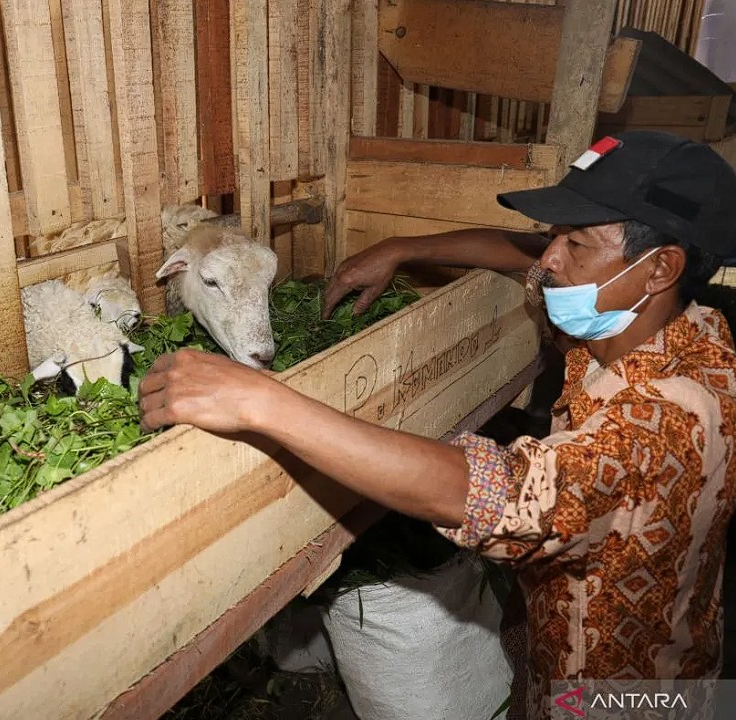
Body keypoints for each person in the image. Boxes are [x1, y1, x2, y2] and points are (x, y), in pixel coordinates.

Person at [138, 131, 736, 719]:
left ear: (661, 269)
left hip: (632, 692)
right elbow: (517, 254)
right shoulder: (663, 322)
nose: (549, 257)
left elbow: (490, 493)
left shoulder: (667, 421)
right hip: (566, 648)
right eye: (555, 235)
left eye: (575, 243)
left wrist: (262, 401)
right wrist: (403, 246)